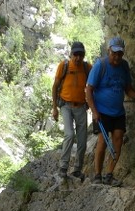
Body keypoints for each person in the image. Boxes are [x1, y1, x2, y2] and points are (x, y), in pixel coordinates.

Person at [85, 36, 135, 186]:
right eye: (114, 53)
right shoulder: (100, 65)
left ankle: (109, 174)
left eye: (120, 54)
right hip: (101, 111)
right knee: (102, 142)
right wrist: (94, 111)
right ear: (109, 51)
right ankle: (98, 175)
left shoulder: (124, 66)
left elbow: (127, 89)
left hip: (118, 111)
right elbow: (88, 90)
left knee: (118, 140)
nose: (117, 57)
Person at [52, 42, 92, 180]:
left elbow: (93, 86)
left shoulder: (87, 68)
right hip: (66, 105)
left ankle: (77, 169)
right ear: (71, 54)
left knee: (82, 140)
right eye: (76, 54)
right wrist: (54, 108)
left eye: (81, 55)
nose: (78, 58)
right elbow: (55, 86)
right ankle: (63, 167)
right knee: (69, 134)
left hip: (81, 107)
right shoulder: (64, 66)